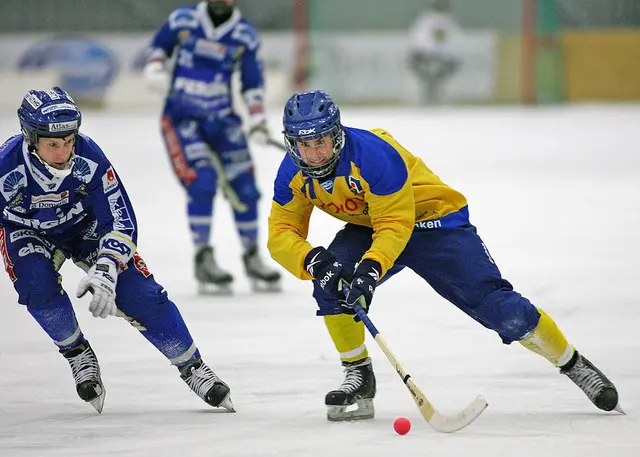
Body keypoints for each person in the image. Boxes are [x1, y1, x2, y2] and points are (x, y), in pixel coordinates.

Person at [267, 90, 622, 422]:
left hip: (433, 222)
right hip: (372, 224)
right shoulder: (292, 172)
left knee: (502, 310)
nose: (313, 154)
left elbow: (395, 223)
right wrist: (314, 260)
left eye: (320, 143)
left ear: (337, 135)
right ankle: (358, 375)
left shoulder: (373, 155)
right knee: (332, 283)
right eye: (302, 144)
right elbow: (281, 232)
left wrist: (372, 268)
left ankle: (571, 362)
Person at [0, 87, 234, 413]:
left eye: (69, 141)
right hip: (26, 231)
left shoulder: (89, 156)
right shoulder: (4, 166)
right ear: (30, 137)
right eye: (53, 144)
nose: (63, 152)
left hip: (85, 228)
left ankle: (192, 366)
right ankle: (76, 352)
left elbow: (121, 218)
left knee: (140, 294)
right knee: (35, 285)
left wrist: (107, 267)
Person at [143, 0, 281, 294]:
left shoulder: (244, 35)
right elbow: (159, 47)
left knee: (245, 185)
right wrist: (155, 69)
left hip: (223, 121)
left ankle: (251, 254)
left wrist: (257, 120)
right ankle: (203, 256)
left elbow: (252, 82)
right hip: (182, 119)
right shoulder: (184, 20)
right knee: (202, 182)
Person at [408, 0, 461, 104]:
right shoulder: (442, 20)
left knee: (430, 73)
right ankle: (432, 87)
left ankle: (431, 87)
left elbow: (417, 36)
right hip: (432, 54)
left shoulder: (427, 19)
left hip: (428, 53)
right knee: (437, 73)